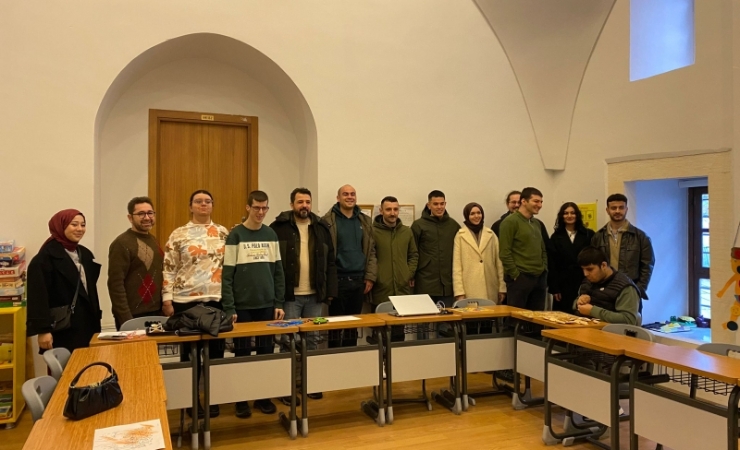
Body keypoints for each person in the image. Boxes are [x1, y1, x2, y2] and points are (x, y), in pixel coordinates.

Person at [162, 189, 228, 418]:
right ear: (190, 206)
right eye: (198, 201)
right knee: (190, 355)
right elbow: (169, 268)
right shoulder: (178, 234)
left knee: (216, 354)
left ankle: (213, 397)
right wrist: (167, 298)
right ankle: (190, 400)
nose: (203, 204)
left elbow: (229, 267)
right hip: (185, 301)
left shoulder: (223, 232)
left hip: (216, 300)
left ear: (212, 205)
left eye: (207, 201)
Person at [222, 190, 285, 417]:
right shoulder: (236, 235)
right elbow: (227, 275)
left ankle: (262, 397)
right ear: (248, 207)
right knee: (242, 354)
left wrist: (279, 302)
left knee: (266, 353)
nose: (260, 212)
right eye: (256, 207)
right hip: (242, 307)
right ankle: (241, 400)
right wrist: (230, 307)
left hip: (267, 305)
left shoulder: (270, 234)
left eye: (264, 208)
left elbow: (278, 272)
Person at [270, 187, 337, 401]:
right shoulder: (278, 228)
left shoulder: (321, 227)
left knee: (313, 341)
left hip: (315, 296)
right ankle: (285, 387)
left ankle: (310, 383)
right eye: (300, 202)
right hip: (290, 296)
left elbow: (331, 261)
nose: (304, 205)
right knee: (288, 342)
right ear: (292, 204)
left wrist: (329, 292)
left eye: (307, 202)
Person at [27, 209, 102, 354]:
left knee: (90, 363)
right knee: (66, 367)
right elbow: (37, 298)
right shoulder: (44, 259)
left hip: (88, 323)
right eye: (74, 224)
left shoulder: (84, 253)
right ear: (60, 226)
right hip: (62, 328)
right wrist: (43, 330)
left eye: (83, 225)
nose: (80, 229)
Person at [323, 184, 377, 347]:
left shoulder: (365, 221)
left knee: (352, 326)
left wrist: (370, 276)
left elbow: (371, 251)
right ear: (338, 198)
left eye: (352, 194)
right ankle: (334, 358)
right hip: (337, 281)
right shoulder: (327, 221)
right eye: (345, 194)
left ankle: (350, 358)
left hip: (359, 281)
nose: (349, 197)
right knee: (335, 326)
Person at [108, 196, 165, 330]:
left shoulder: (153, 240)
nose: (147, 217)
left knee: (154, 344)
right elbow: (115, 284)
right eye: (141, 214)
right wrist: (126, 318)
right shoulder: (121, 243)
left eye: (150, 213)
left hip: (156, 313)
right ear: (130, 218)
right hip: (132, 316)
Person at [591, 193, 655, 313]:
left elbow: (647, 266)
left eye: (621, 207)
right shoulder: (597, 237)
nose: (617, 211)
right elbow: (593, 266)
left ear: (626, 209)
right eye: (613, 208)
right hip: (604, 291)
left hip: (630, 291)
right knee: (604, 324)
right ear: (607, 210)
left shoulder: (640, 237)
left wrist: (638, 289)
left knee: (630, 324)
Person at [372, 196, 418, 341]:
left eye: (395, 209)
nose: (392, 213)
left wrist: (407, 274)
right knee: (380, 335)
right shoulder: (372, 231)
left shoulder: (406, 232)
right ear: (381, 211)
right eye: (388, 209)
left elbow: (413, 255)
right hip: (380, 290)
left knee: (399, 335)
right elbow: (369, 257)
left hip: (401, 290)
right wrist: (377, 276)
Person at [498, 187, 548, 311]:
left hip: (539, 278)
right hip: (520, 279)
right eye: (536, 201)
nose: (540, 205)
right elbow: (504, 253)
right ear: (524, 201)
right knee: (517, 319)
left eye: (541, 202)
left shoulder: (536, 223)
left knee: (538, 318)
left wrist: (544, 268)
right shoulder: (510, 222)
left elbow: (542, 249)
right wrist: (516, 275)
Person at [411, 190, 460, 307]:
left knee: (447, 316)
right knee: (424, 317)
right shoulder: (418, 225)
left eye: (442, 204)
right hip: (425, 282)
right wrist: (411, 275)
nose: (439, 207)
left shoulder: (453, 225)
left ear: (445, 204)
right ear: (429, 205)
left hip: (447, 284)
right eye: (435, 204)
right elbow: (412, 253)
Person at [453, 203, 506, 303]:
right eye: (472, 214)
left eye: (479, 213)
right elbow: (457, 266)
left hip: (490, 286)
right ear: (467, 216)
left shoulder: (491, 234)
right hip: (469, 287)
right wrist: (459, 292)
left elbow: (499, 263)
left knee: (490, 312)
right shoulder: (460, 236)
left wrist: (502, 288)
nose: (476, 216)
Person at [573, 246, 640, 325]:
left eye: (590, 269)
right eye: (583, 269)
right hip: (583, 327)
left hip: (609, 331)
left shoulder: (626, 287)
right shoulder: (588, 281)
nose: (585, 274)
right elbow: (574, 305)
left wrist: (592, 311)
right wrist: (579, 302)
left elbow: (629, 320)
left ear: (603, 265)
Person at [548, 202, 594, 312]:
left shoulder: (588, 234)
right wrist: (554, 288)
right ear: (562, 216)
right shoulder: (555, 237)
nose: (569, 216)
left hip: (584, 280)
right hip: (563, 283)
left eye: (572, 213)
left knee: (583, 312)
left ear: (577, 215)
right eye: (566, 213)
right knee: (563, 314)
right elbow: (552, 264)